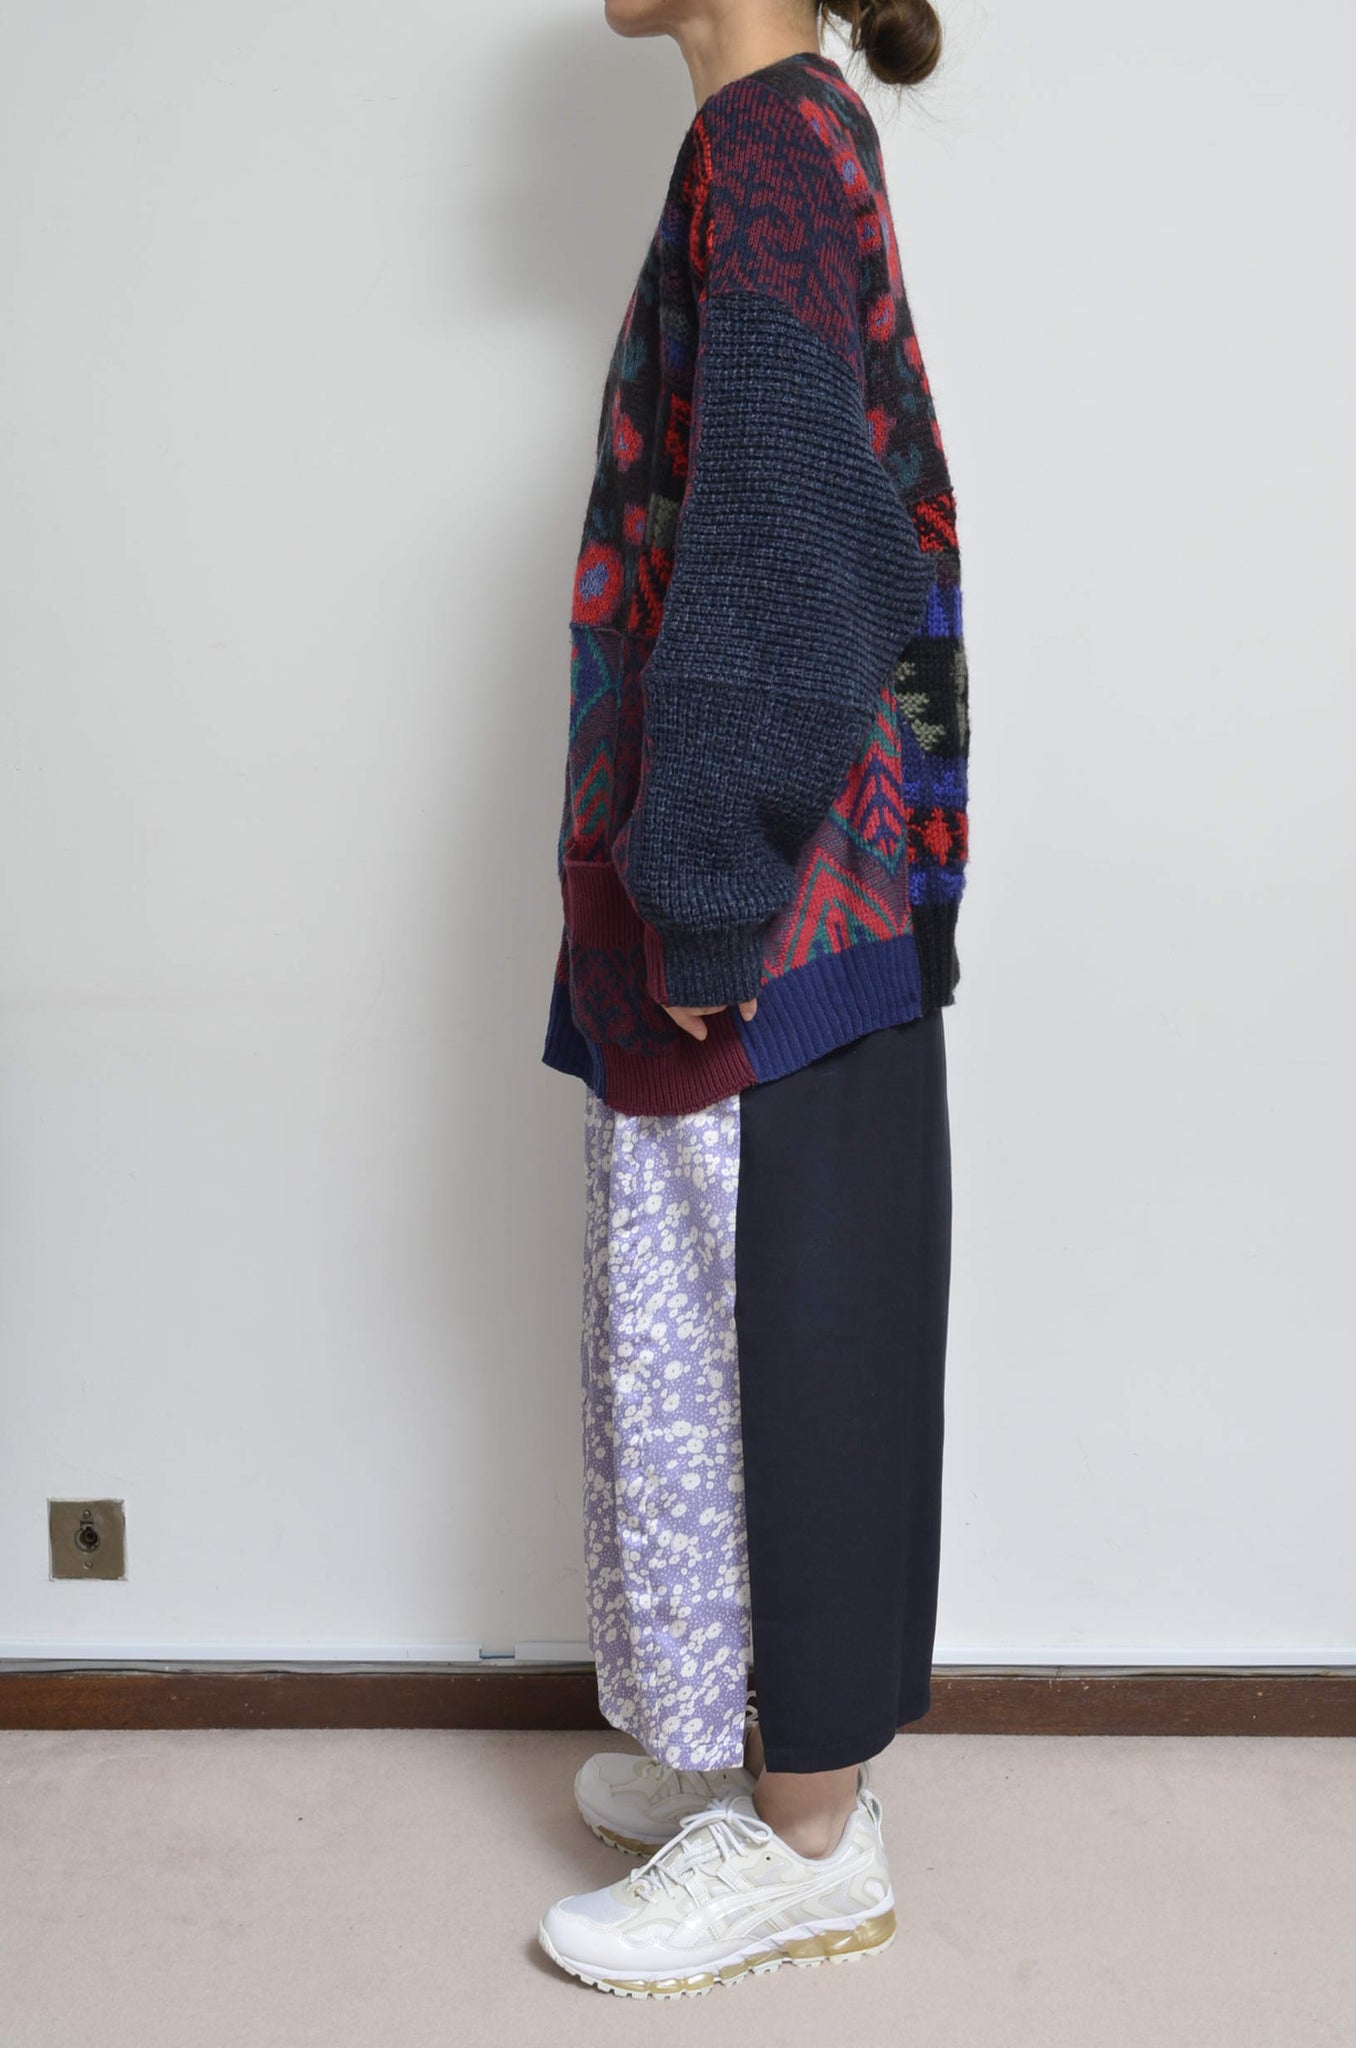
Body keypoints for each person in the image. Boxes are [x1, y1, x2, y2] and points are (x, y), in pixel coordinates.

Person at [536, 0, 969, 1999]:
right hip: (810, 885)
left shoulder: (774, 147)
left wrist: (703, 887)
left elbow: (790, 544)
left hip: (785, 904)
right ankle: (754, 1743)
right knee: (738, 1317)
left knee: (786, 1319)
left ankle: (807, 1836)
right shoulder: (788, 136)